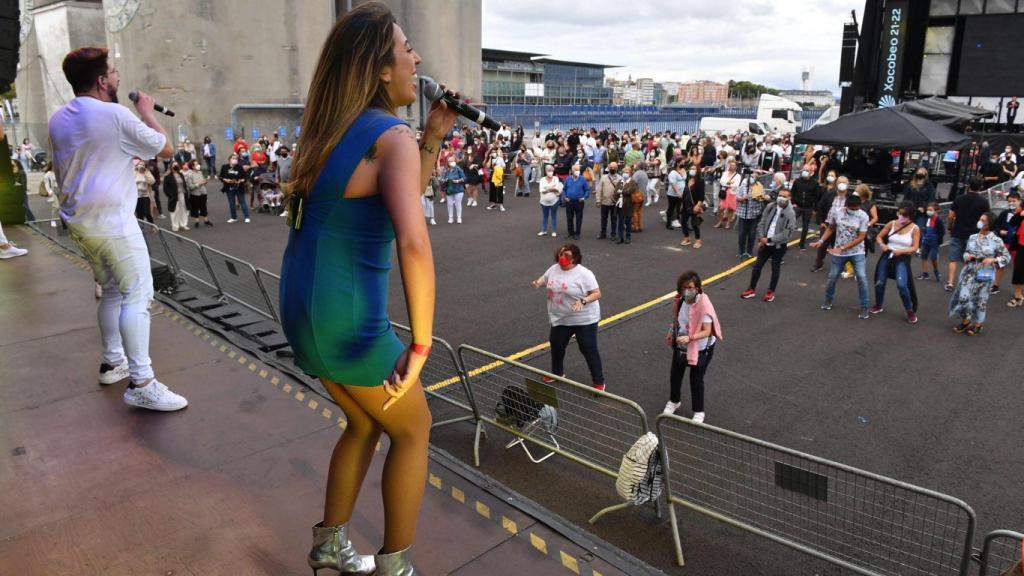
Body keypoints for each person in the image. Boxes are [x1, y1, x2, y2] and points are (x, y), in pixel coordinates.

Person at [279, 4, 456, 573]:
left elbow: (396, 190)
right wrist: (421, 345)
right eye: (407, 48)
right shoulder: (390, 135)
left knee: (362, 421)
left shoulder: (332, 130)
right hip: (348, 321)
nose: (417, 59)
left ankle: (330, 542)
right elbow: (413, 242)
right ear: (381, 68)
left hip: (304, 308)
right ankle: (395, 565)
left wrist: (433, 136)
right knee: (415, 428)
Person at [48, 46, 186, 411]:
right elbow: (166, 149)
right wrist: (147, 112)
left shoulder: (58, 118)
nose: (118, 77)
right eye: (113, 72)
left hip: (80, 223)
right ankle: (142, 382)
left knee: (111, 291)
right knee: (138, 295)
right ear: (101, 80)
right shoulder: (113, 115)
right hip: (113, 223)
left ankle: (113, 362)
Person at [531, 244, 606, 391]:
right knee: (557, 344)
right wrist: (538, 282)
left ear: (575, 258)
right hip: (562, 317)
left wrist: (583, 301)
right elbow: (546, 278)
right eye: (561, 254)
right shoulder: (554, 269)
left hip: (584, 319)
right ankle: (557, 373)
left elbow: (597, 293)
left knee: (588, 348)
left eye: (566, 255)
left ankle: (599, 381)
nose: (562, 257)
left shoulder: (584, 274)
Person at [663, 270, 722, 423]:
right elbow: (677, 320)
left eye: (689, 287)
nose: (686, 291)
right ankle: (674, 401)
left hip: (701, 347)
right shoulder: (681, 301)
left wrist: (690, 338)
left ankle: (699, 411)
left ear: (697, 288)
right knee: (675, 375)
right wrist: (671, 332)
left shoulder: (704, 306)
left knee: (696, 379)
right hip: (682, 343)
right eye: (683, 287)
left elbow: (707, 331)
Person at [949, 211, 1011, 335]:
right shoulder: (972, 237)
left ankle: (978, 324)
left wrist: (993, 259)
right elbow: (966, 252)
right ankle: (966, 321)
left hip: (985, 272)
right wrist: (967, 256)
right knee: (964, 296)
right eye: (980, 219)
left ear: (989, 224)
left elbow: (1007, 257)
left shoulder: (996, 240)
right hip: (969, 270)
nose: (979, 222)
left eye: (983, 220)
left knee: (981, 299)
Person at [813, 193, 871, 319]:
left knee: (861, 277)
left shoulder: (863, 216)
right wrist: (821, 241)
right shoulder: (838, 212)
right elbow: (831, 228)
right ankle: (828, 300)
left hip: (857, 252)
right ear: (846, 206)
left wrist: (843, 248)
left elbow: (861, 237)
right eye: (852, 208)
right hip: (839, 252)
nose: (854, 211)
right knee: (832, 277)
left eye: (856, 208)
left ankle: (864, 306)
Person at [741, 188, 796, 302]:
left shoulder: (790, 213)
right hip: (765, 244)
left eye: (784, 196)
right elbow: (762, 223)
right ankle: (751, 289)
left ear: (789, 198)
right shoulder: (770, 206)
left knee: (775, 268)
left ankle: (771, 291)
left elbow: (786, 234)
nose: (781, 198)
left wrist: (769, 239)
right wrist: (761, 239)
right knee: (757, 267)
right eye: (780, 195)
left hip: (778, 246)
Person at [870, 202, 921, 323]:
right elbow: (879, 237)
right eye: (900, 213)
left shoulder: (915, 228)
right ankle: (878, 305)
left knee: (902, 285)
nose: (901, 217)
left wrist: (901, 251)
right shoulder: (891, 223)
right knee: (879, 282)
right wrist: (882, 245)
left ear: (910, 216)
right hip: (887, 255)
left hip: (902, 258)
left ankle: (910, 311)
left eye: (904, 215)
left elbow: (915, 247)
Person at [946, 176, 991, 292]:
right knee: (971, 259)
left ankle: (950, 282)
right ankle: (967, 282)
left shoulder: (959, 199)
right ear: (981, 187)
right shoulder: (984, 202)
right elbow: (987, 218)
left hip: (957, 231)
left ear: (968, 185)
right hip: (974, 234)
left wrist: (950, 227)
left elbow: (951, 215)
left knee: (953, 259)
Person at [811, 171, 846, 272]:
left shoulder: (850, 197)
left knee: (839, 247)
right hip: (827, 225)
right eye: (840, 182)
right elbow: (821, 206)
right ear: (836, 183)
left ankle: (839, 266)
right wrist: (821, 222)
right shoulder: (830, 194)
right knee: (822, 246)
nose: (842, 184)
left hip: (841, 227)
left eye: (844, 183)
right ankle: (818, 264)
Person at [992, 190, 1021, 294]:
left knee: (1018, 268)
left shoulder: (1022, 214)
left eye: (1014, 201)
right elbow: (997, 225)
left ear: (1019, 201)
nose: (1011, 203)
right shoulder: (1004, 213)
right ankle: (995, 285)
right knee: (1000, 264)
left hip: (1018, 245)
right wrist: (1000, 231)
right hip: (1005, 243)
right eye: (1009, 201)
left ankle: (1018, 291)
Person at [734, 169, 764, 258]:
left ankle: (749, 251)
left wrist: (758, 198)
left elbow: (762, 197)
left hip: (755, 214)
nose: (753, 177)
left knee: (752, 233)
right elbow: (737, 197)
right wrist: (742, 198)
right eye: (752, 175)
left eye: (755, 176)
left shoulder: (759, 186)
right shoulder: (743, 185)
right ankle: (741, 251)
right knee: (742, 233)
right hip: (743, 213)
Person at [790, 166, 820, 250]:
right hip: (797, 206)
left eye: (807, 170)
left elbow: (816, 197)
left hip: (808, 207)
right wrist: (793, 203)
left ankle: (802, 244)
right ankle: (784, 241)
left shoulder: (815, 183)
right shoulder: (797, 181)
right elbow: (792, 192)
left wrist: (815, 209)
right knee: (790, 223)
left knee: (805, 226)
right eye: (804, 170)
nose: (805, 172)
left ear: (811, 172)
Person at [916, 201, 945, 283]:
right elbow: (925, 228)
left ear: (936, 211)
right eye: (928, 209)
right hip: (926, 241)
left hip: (934, 242)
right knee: (924, 256)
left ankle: (936, 271)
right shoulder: (928, 219)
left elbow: (942, 231)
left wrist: (938, 241)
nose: (928, 211)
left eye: (930, 210)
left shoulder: (938, 220)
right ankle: (925, 273)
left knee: (933, 257)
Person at [679, 163, 705, 248]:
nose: (692, 170)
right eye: (691, 168)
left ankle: (698, 240)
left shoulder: (700, 181)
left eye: (694, 169)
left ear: (698, 171)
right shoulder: (688, 179)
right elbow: (685, 192)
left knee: (694, 223)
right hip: (686, 204)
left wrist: (698, 206)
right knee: (683, 222)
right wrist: (682, 204)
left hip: (695, 204)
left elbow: (702, 196)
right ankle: (687, 238)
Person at [219, 153, 251, 223]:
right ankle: (233, 217)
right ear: (229, 160)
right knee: (231, 203)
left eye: (236, 159)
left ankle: (247, 217)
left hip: (239, 187)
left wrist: (240, 180)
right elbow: (221, 176)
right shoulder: (224, 167)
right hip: (229, 187)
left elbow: (245, 177)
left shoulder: (239, 167)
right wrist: (225, 180)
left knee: (242, 202)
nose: (235, 160)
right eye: (233, 158)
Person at [562, 163, 590, 240]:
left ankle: (577, 233)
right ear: (572, 171)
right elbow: (564, 189)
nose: (577, 171)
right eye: (576, 170)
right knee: (569, 218)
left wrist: (584, 198)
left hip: (579, 202)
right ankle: (570, 233)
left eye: (578, 170)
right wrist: (565, 197)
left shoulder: (583, 179)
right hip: (569, 201)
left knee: (579, 218)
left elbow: (587, 190)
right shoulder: (568, 179)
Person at [595, 161, 622, 240]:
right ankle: (603, 233)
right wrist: (598, 200)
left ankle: (613, 234)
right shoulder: (603, 177)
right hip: (604, 201)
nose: (612, 169)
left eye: (614, 167)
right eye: (611, 167)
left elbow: (621, 190)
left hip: (615, 202)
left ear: (617, 168)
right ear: (608, 168)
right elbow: (599, 190)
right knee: (603, 219)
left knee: (614, 219)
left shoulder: (620, 178)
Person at [163, 162, 190, 231]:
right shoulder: (168, 176)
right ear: (171, 166)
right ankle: (175, 226)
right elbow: (165, 188)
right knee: (175, 210)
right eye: (174, 165)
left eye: (177, 165)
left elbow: (184, 184)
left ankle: (183, 224)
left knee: (183, 209)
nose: (176, 166)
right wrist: (170, 195)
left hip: (182, 194)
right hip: (174, 196)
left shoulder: (180, 174)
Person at [185, 160, 212, 227]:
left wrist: (205, 181)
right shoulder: (189, 175)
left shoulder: (200, 172)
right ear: (192, 166)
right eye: (196, 164)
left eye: (198, 164)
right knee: (195, 208)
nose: (198, 166)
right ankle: (196, 222)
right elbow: (190, 187)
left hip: (203, 192)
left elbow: (203, 182)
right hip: (195, 194)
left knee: (204, 207)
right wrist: (199, 184)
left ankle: (206, 221)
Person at [715, 159, 740, 229]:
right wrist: (729, 183)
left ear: (736, 167)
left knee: (730, 209)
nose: (732, 166)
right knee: (721, 208)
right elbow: (721, 181)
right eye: (731, 165)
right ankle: (720, 222)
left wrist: (727, 183)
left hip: (732, 193)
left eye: (733, 165)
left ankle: (728, 223)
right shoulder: (725, 173)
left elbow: (736, 184)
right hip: (724, 192)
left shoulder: (738, 176)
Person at [537, 165, 562, 237]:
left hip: (554, 201)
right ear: (545, 171)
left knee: (554, 216)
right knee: (545, 216)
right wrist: (552, 188)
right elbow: (541, 190)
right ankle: (544, 230)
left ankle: (554, 231)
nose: (550, 172)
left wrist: (547, 188)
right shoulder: (542, 179)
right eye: (549, 170)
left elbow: (556, 189)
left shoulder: (556, 178)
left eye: (552, 171)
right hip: (543, 202)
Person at [616, 164, 637, 244]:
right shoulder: (620, 182)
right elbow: (615, 192)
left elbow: (630, 191)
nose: (625, 174)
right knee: (620, 222)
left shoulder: (632, 182)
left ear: (630, 173)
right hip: (620, 205)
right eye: (624, 172)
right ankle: (620, 237)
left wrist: (621, 191)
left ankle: (628, 237)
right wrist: (622, 192)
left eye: (627, 172)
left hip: (629, 205)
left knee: (628, 222)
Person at [443, 159, 465, 224]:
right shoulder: (446, 170)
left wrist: (457, 181)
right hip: (449, 189)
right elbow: (442, 178)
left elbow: (464, 178)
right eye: (450, 161)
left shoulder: (458, 169)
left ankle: (459, 217)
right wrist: (446, 180)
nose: (452, 162)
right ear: (448, 163)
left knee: (458, 204)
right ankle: (450, 218)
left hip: (459, 189)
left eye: (453, 161)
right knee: (449, 204)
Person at [42, 162, 61, 226]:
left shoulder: (58, 172)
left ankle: (63, 220)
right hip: (54, 191)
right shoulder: (48, 174)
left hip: (60, 191)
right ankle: (53, 220)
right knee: (56, 207)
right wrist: (49, 191)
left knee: (62, 207)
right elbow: (46, 184)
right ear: (51, 166)